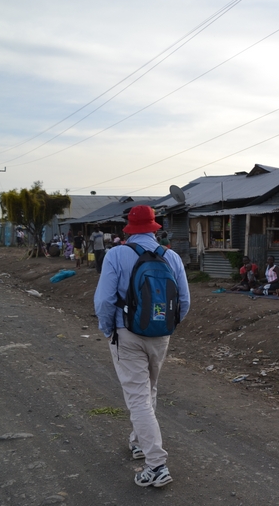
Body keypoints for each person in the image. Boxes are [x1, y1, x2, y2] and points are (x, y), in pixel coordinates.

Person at [93, 205, 190, 488]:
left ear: (129, 228)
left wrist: (109, 329)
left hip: (126, 333)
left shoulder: (116, 254)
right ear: (154, 227)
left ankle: (156, 464)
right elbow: (184, 301)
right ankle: (138, 442)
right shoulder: (171, 256)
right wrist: (167, 326)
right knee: (149, 390)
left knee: (137, 397)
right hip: (161, 335)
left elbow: (104, 300)